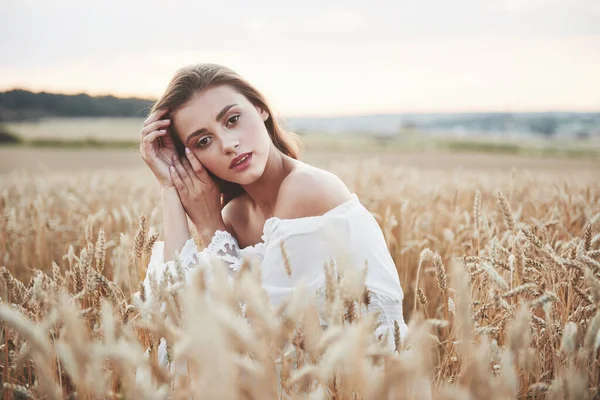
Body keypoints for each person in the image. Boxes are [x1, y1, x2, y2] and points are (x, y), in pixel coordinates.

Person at [138, 63, 408, 369]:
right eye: (203, 141)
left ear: (260, 109)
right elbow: (174, 310)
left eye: (233, 120)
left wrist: (209, 226)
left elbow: (262, 337)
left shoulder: (305, 190)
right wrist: (169, 185)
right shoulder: (236, 214)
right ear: (192, 158)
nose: (228, 144)